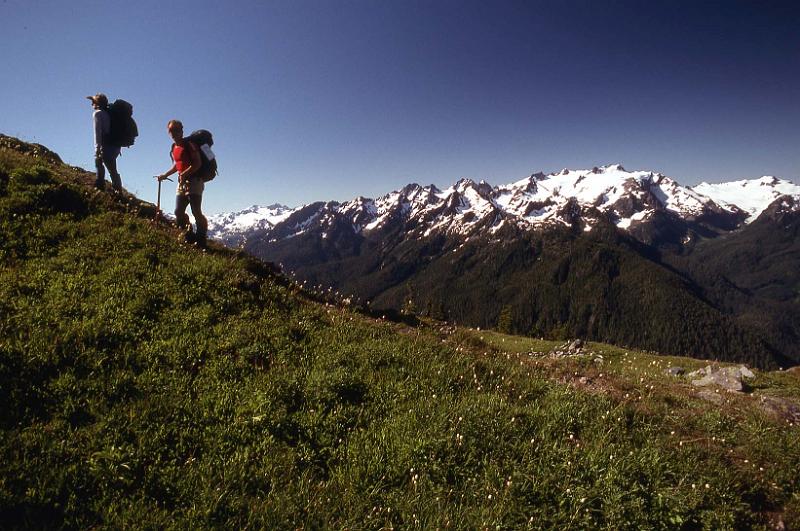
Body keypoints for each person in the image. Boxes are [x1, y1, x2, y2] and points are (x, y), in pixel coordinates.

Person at [156, 120, 208, 248]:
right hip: (182, 183)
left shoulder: (189, 145)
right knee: (178, 212)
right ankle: (188, 234)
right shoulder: (174, 147)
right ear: (168, 132)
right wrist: (165, 175)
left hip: (195, 181)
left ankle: (201, 239)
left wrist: (184, 174)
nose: (174, 133)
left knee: (196, 211)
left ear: (181, 131)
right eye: (171, 131)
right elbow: (177, 165)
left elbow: (197, 163)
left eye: (176, 130)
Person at [86, 93, 123, 191]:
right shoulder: (109, 114)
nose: (92, 104)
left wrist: (97, 148)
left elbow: (97, 132)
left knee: (98, 161)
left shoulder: (97, 114)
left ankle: (100, 185)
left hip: (106, 145)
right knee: (112, 169)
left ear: (97, 103)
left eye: (93, 102)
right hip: (115, 146)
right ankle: (118, 190)